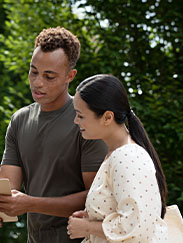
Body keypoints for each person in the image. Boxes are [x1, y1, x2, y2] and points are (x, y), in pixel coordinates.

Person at [0, 27, 108, 242]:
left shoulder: (87, 121)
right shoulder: (20, 120)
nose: (38, 82)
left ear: (70, 76)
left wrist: (30, 203)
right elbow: (7, 189)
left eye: (49, 76)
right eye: (33, 72)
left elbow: (97, 197)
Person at [66, 74, 168, 242]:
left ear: (107, 117)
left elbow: (137, 226)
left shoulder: (128, 157)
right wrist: (92, 218)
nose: (76, 121)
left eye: (81, 115)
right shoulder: (116, 155)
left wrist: (88, 227)